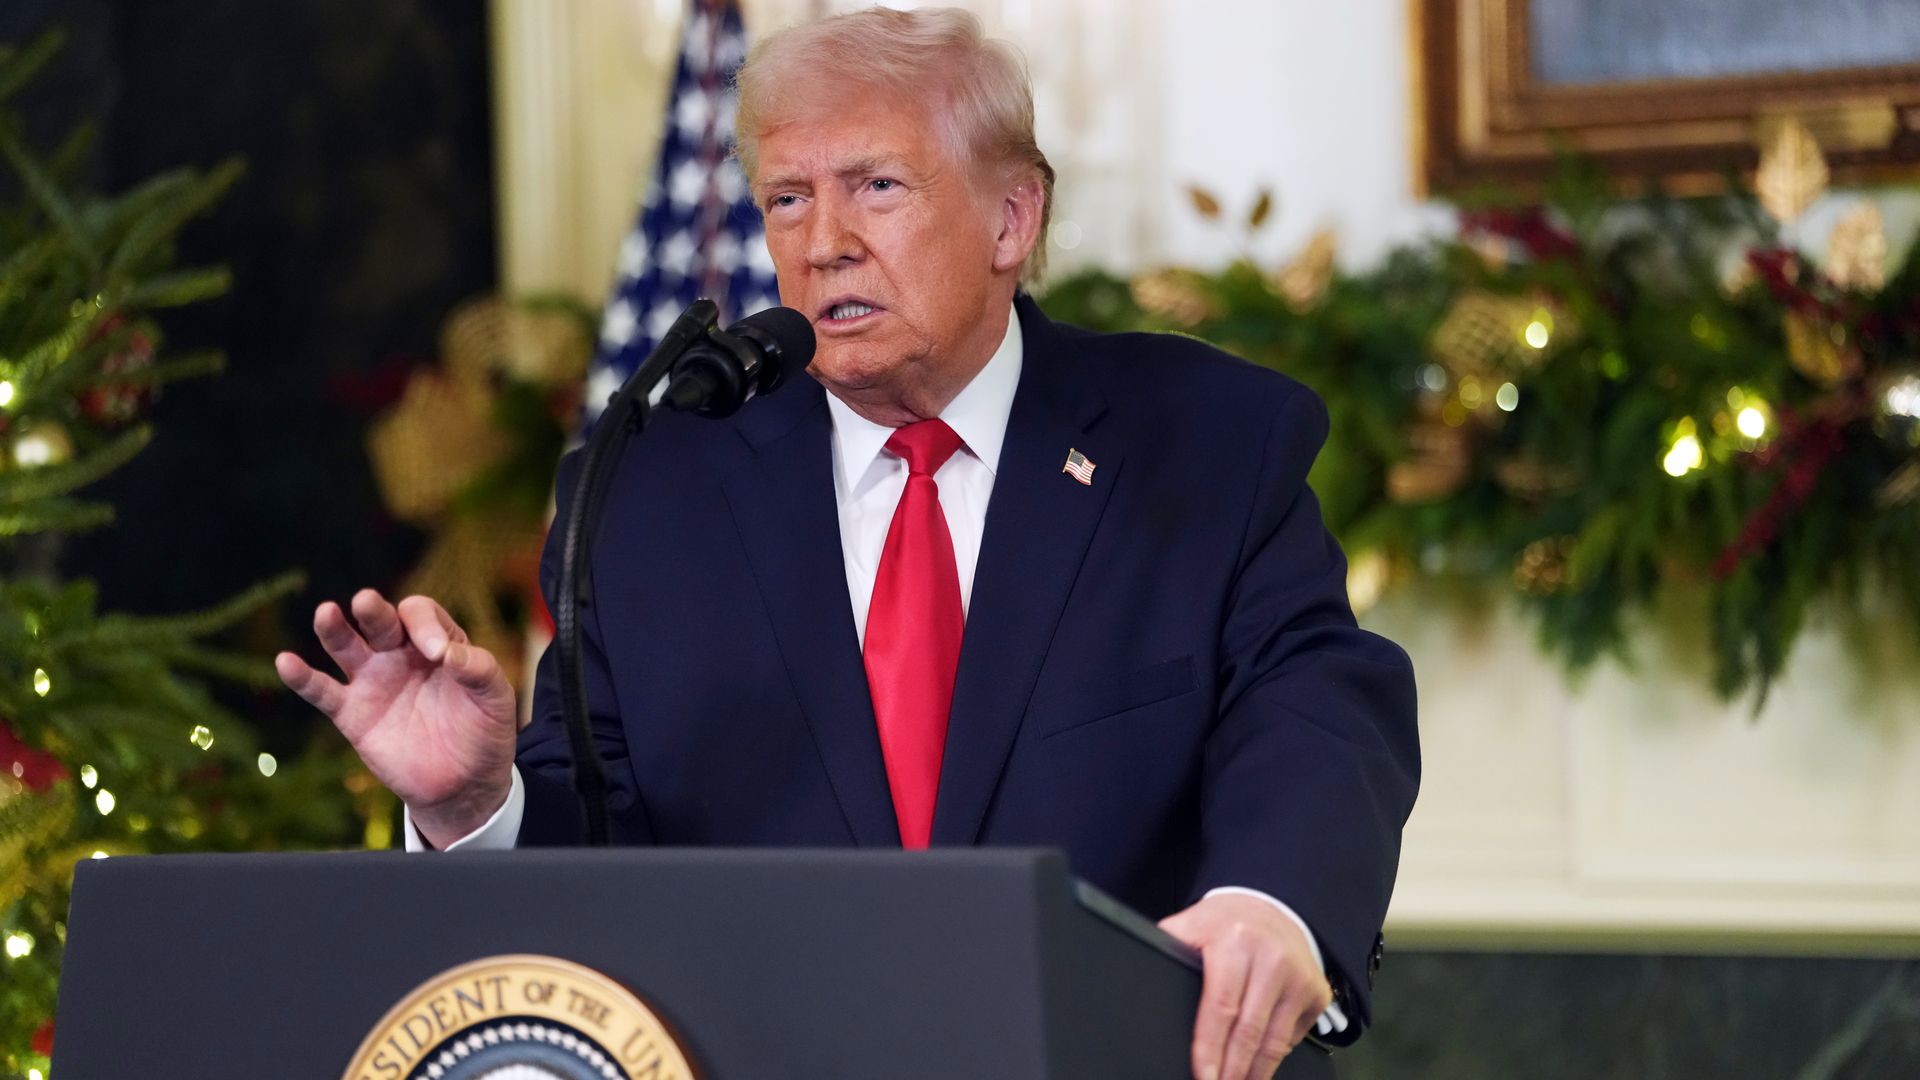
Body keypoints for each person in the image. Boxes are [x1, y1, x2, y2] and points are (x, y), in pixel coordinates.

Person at [277, 9, 1419, 1080]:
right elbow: (605, 838)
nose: (823, 244)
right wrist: (476, 803)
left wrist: (1275, 905)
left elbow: (1317, 699)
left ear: (1012, 219)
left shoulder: (1202, 441)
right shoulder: (653, 487)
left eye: (876, 188)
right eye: (784, 201)